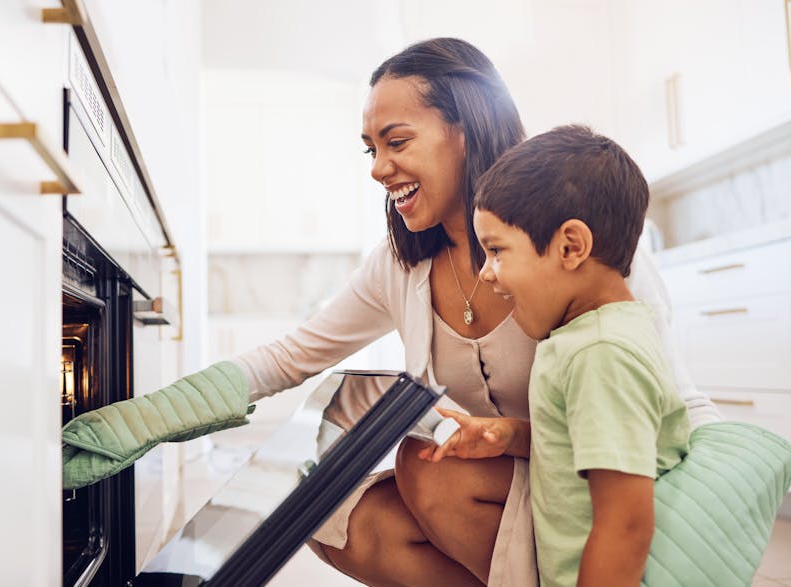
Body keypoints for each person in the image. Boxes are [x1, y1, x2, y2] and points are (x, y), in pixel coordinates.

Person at [232, 38, 720, 586]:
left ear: (466, 131)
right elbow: (294, 354)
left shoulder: (585, 259)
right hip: (538, 473)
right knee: (344, 511)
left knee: (431, 474)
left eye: (396, 141)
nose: (378, 169)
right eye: (371, 149)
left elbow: (662, 410)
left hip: (600, 493)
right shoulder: (402, 264)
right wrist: (152, 416)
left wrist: (710, 525)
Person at [424, 124, 691, 586]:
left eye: (496, 251)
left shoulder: (601, 354)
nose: (485, 274)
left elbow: (625, 524)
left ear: (571, 247)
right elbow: (582, 450)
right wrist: (510, 436)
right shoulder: (587, 340)